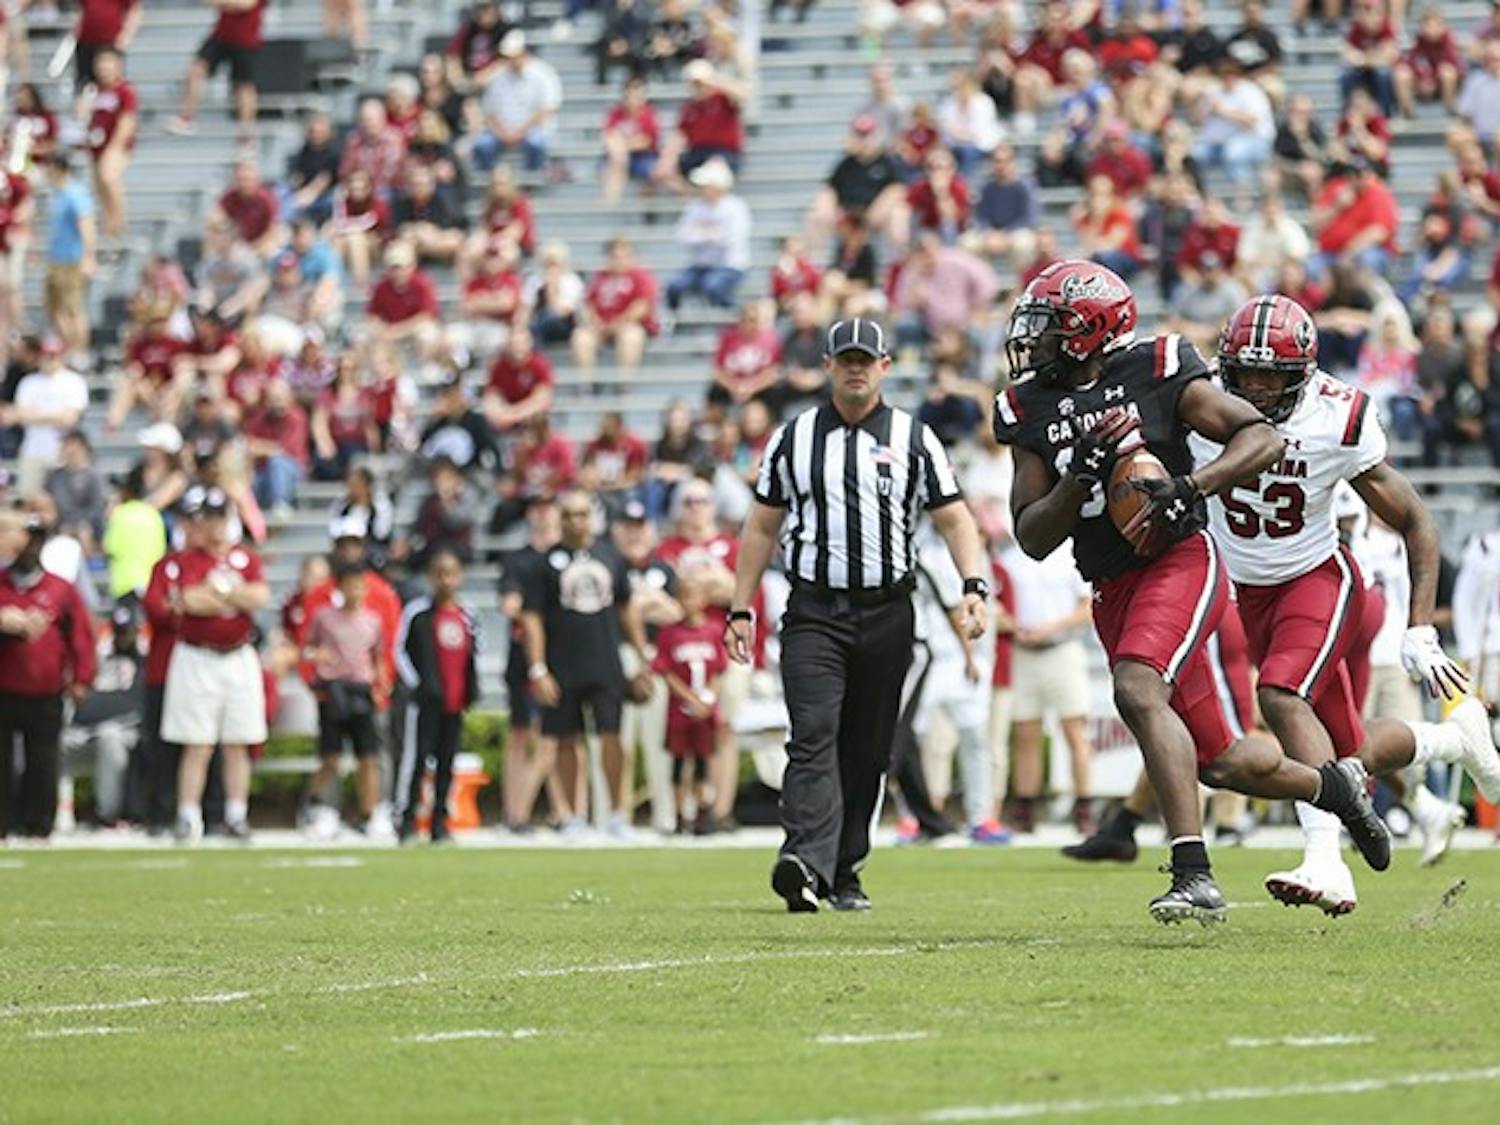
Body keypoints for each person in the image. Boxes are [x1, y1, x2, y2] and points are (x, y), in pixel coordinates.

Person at [994, 260, 1392, 924]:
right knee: (1223, 761)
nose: (1034, 340)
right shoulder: (1024, 405)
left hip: (1179, 559)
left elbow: (1260, 436)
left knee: (1136, 689)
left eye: (1050, 326)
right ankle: (1337, 788)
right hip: (1110, 583)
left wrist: (1189, 487)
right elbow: (1032, 535)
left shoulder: (1157, 367)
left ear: (1090, 330)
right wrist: (1078, 478)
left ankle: (1193, 873)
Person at [1199, 295, 1500, 913]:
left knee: (1281, 695)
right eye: (1245, 374)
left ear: (1302, 375)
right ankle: (1454, 741)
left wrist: (1420, 629)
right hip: (1247, 591)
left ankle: (1326, 862)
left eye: (1271, 378)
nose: (1255, 390)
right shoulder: (1195, 401)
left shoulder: (1335, 415)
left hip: (1318, 579)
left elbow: (1415, 518)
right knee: (1346, 752)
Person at [727, 317, 989, 912]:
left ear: (884, 367)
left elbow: (955, 518)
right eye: (845, 359)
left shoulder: (914, 437)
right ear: (826, 365)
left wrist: (972, 584)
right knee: (812, 734)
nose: (855, 369)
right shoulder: (792, 438)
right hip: (814, 610)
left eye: (864, 360)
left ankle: (845, 871)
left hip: (888, 611)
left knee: (869, 750)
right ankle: (804, 860)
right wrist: (741, 607)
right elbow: (762, 525)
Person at [518, 489, 651, 836]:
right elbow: (532, 619)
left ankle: (617, 813)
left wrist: (643, 656)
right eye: (568, 515)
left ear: (592, 517)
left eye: (581, 514)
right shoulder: (543, 564)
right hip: (563, 663)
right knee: (566, 740)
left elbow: (627, 609)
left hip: (606, 661)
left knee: (612, 736)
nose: (576, 521)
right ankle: (573, 814)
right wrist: (538, 668)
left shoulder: (610, 556)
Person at [156, 486, 270, 843]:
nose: (215, 526)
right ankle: (189, 815)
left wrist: (222, 594)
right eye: (209, 519)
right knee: (197, 742)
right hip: (198, 654)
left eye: (220, 518)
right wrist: (232, 597)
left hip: (237, 653)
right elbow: (188, 600)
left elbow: (260, 596)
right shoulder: (188, 560)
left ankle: (237, 814)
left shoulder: (245, 557)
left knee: (239, 740)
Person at [0, 513, 97, 840]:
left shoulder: (59, 588)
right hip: (4, 685)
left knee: (43, 760)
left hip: (45, 688)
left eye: (37, 539)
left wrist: (82, 677)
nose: (30, 547)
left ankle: (39, 823)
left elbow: (80, 635)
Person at [999, 541, 1096, 835]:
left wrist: (1053, 627)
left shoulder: (1070, 556)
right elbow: (998, 603)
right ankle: (1025, 809)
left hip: (1062, 648)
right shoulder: (1010, 558)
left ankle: (1084, 807)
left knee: (1075, 731)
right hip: (1023, 651)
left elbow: (1087, 607)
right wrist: (1014, 626)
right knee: (1025, 733)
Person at [395, 549, 480, 843]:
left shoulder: (467, 614)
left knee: (447, 762)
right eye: (440, 573)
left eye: (451, 573)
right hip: (426, 701)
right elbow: (400, 651)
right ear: (431, 577)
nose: (446, 580)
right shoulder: (418, 613)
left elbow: (472, 654)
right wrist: (418, 685)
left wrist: (470, 689)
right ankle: (406, 820)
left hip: (454, 701)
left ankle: (439, 823)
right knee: (417, 760)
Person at [304, 561, 387, 839]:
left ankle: (369, 813)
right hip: (334, 688)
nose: (356, 591)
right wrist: (317, 657)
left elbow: (377, 656)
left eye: (360, 585)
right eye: (350, 585)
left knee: (368, 757)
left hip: (361, 688)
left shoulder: (372, 620)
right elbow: (307, 648)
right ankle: (314, 803)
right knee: (332, 756)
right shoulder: (324, 617)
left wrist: (380, 686)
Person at [652, 575, 725, 833]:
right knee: (679, 763)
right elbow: (665, 670)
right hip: (679, 711)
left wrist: (707, 699)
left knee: (703, 763)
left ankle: (703, 812)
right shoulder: (670, 633)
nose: (689, 602)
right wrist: (689, 698)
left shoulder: (714, 630)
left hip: (705, 711)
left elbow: (720, 669)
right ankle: (679, 814)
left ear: (704, 599)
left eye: (694, 596)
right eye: (684, 596)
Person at [63, 602, 143, 828]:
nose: (122, 637)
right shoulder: (97, 657)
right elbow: (82, 699)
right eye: (118, 631)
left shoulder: (145, 662)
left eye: (126, 632)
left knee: (110, 736)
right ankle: (48, 814)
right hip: (85, 730)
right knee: (49, 740)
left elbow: (132, 706)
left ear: (137, 630)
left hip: (126, 733)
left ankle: (108, 814)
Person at [166, 0, 267, 136]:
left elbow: (244, 4)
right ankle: (186, 118)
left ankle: (246, 138)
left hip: (246, 40)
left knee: (244, 88)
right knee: (195, 70)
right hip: (221, 36)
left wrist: (222, 3)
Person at [6, 337, 89, 498]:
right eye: (46, 355)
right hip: (32, 449)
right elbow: (21, 416)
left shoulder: (74, 382)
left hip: (63, 451)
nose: (50, 359)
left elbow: (69, 418)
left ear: (62, 356)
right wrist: (55, 415)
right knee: (28, 497)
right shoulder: (28, 382)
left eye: (54, 355)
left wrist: (35, 415)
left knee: (64, 500)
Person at [666, 158, 751, 311]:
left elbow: (731, 239)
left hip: (729, 266)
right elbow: (682, 235)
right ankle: (675, 320)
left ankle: (732, 314)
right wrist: (710, 235)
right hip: (699, 266)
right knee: (675, 287)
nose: (704, 189)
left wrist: (702, 234)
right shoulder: (695, 207)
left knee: (713, 286)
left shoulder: (735, 207)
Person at [473, 31, 563, 173]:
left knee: (536, 143)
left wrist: (519, 133)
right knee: (483, 145)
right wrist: (504, 133)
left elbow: (546, 110)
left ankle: (533, 179)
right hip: (500, 133)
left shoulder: (543, 73)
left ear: (523, 53)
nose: (510, 60)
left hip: (534, 130)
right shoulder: (497, 76)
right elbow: (489, 111)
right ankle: (491, 179)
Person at [41, 156, 96, 361]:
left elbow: (86, 225)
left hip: (72, 260)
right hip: (56, 260)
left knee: (73, 309)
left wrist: (88, 256)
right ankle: (68, 350)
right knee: (54, 309)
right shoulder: (59, 195)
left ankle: (79, 353)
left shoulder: (76, 193)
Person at [86, 48, 137, 240]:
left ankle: (119, 226)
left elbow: (127, 120)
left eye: (108, 63)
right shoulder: (94, 91)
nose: (103, 68)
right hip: (96, 147)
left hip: (115, 146)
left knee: (109, 177)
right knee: (100, 188)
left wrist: (114, 147)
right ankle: (109, 228)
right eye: (100, 64)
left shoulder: (124, 91)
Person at [102, 463, 166, 600]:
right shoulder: (153, 514)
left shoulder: (120, 514)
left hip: (126, 585)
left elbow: (109, 547)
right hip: (152, 584)